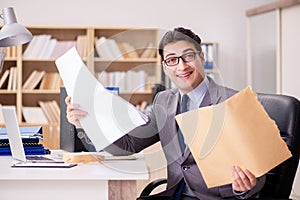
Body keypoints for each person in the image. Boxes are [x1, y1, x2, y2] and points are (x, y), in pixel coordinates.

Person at [66, 27, 266, 199]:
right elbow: (128, 146)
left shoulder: (233, 102)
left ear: (201, 57)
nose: (182, 66)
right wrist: (87, 123)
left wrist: (244, 189)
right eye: (172, 60)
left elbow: (260, 172)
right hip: (174, 194)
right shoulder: (164, 101)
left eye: (188, 56)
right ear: (165, 67)